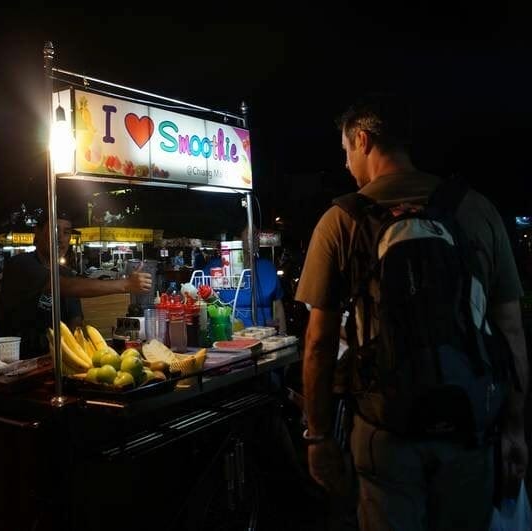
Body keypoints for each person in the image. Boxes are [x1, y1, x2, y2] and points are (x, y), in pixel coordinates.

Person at [296, 94, 528, 530]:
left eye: (346, 151)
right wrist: (515, 429)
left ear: (362, 140)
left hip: (385, 434)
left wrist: (319, 436)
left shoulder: (341, 221)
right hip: (470, 426)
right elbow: (511, 331)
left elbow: (318, 344)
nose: (347, 165)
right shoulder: (475, 209)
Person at [0, 211, 152, 359]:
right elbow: (62, 286)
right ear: (38, 231)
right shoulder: (21, 264)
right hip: (18, 359)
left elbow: (75, 321)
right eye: (55, 230)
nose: (61, 238)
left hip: (56, 358)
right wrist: (125, 284)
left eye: (66, 232)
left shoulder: (66, 273)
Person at [204, 228, 286, 331]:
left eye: (257, 234)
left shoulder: (267, 267)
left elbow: (278, 306)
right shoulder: (214, 268)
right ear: (237, 239)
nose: (256, 238)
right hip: (225, 335)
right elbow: (195, 298)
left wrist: (283, 336)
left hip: (264, 336)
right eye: (251, 234)